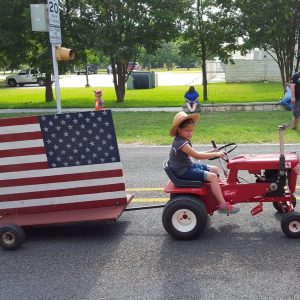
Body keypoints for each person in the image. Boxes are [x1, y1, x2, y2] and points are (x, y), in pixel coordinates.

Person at [168, 111, 240, 214]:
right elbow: (197, 155)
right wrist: (216, 154)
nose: (190, 133)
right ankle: (222, 205)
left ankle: (215, 194)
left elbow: (195, 153)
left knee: (214, 169)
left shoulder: (183, 139)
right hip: (183, 171)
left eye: (192, 130)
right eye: (187, 130)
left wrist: (212, 151)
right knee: (213, 177)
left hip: (187, 166)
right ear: (179, 129)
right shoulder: (180, 143)